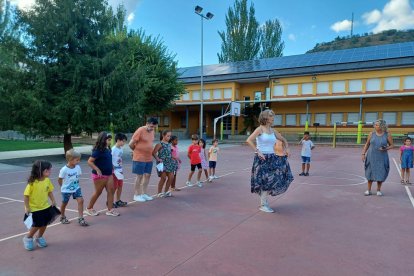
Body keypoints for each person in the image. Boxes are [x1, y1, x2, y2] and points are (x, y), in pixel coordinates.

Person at [246, 109, 293, 213]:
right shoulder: (260, 129)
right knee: (265, 181)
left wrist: (287, 149)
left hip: (272, 158)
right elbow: (249, 140)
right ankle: (263, 204)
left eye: (273, 116)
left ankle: (263, 200)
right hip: (261, 158)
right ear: (266, 117)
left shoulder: (273, 131)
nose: (273, 118)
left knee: (275, 179)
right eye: (271, 116)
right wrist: (257, 151)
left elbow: (283, 140)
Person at [23, 160, 57, 251]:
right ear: (41, 171)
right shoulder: (32, 183)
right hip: (34, 208)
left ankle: (39, 237)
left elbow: (49, 191)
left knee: (45, 223)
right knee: (37, 224)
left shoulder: (47, 180)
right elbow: (26, 196)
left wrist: (53, 200)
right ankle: (28, 237)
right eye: (48, 170)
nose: (50, 171)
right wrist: (27, 207)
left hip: (45, 206)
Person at [86, 132, 119, 216]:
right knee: (98, 192)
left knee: (111, 191)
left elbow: (107, 160)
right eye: (108, 140)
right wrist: (97, 169)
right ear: (103, 140)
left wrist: (112, 167)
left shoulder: (108, 149)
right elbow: (90, 161)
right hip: (100, 175)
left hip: (109, 174)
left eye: (110, 140)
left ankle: (110, 210)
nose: (110, 141)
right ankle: (89, 208)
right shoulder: (98, 151)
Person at [362, 119, 394, 196]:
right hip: (371, 156)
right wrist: (363, 154)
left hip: (382, 156)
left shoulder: (387, 134)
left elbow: (392, 145)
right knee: (370, 172)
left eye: (376, 125)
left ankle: (378, 190)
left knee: (381, 172)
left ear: (381, 126)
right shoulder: (371, 134)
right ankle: (368, 190)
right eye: (375, 124)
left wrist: (385, 148)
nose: (374, 126)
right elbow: (367, 144)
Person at [129, 117, 158, 202]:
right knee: (139, 176)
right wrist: (136, 151)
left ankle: (144, 193)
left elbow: (150, 142)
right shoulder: (140, 130)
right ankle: (136, 195)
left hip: (148, 157)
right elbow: (131, 144)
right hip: (139, 157)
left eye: (154, 127)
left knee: (147, 175)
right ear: (147, 123)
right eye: (152, 126)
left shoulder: (152, 131)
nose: (153, 128)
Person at [58, 149, 88, 226]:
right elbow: (60, 179)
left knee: (81, 200)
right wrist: (63, 187)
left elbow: (77, 177)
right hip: (66, 190)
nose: (79, 161)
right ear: (70, 160)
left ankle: (81, 218)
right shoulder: (64, 170)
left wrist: (75, 185)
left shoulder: (77, 167)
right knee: (64, 203)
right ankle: (62, 216)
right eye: (77, 160)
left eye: (79, 160)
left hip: (76, 188)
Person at [153, 130, 177, 197]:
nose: (169, 137)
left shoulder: (169, 144)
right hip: (162, 163)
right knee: (163, 178)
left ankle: (166, 192)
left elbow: (169, 154)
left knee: (171, 177)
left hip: (169, 163)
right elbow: (154, 153)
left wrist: (175, 158)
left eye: (170, 136)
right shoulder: (159, 144)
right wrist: (158, 159)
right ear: (163, 135)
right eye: (168, 136)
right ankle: (159, 193)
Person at [112, 133, 128, 208]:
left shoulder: (121, 148)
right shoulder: (113, 149)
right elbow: (110, 159)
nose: (124, 143)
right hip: (114, 170)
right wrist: (113, 168)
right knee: (114, 186)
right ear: (118, 140)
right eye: (123, 141)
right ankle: (110, 201)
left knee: (120, 186)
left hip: (120, 169)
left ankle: (118, 200)